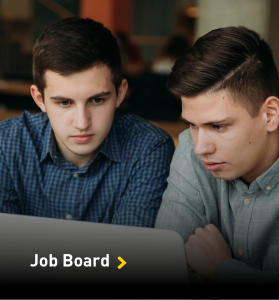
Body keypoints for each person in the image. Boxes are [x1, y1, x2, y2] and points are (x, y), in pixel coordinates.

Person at [155, 26, 279, 285]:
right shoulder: (191, 147)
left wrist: (222, 269)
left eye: (218, 126)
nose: (201, 148)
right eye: (192, 124)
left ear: (270, 115)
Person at [0, 17, 174, 227]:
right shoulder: (5, 144)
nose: (82, 123)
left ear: (120, 94)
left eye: (97, 100)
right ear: (39, 99)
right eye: (64, 102)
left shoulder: (149, 147)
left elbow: (130, 254)